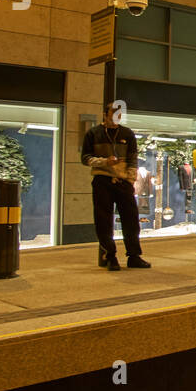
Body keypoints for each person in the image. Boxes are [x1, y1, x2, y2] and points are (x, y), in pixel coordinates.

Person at [81, 102, 150, 270]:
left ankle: (134, 256)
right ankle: (110, 256)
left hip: (123, 181)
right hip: (102, 180)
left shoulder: (127, 134)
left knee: (131, 219)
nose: (115, 118)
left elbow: (133, 159)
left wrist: (131, 179)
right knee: (103, 220)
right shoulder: (93, 133)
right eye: (112, 114)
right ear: (105, 114)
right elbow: (85, 158)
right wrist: (104, 161)